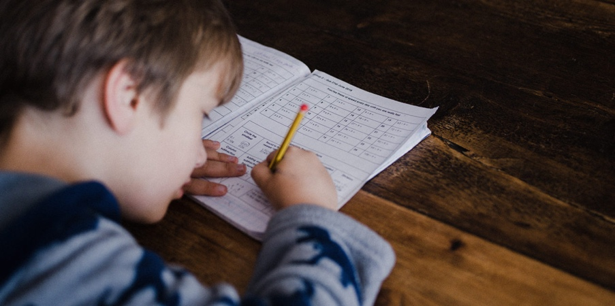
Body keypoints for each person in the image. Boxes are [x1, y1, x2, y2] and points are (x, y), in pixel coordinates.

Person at [0, 0, 395, 305]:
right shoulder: (58, 259)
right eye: (201, 114)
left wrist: (138, 167)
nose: (198, 154)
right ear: (130, 96)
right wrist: (313, 216)